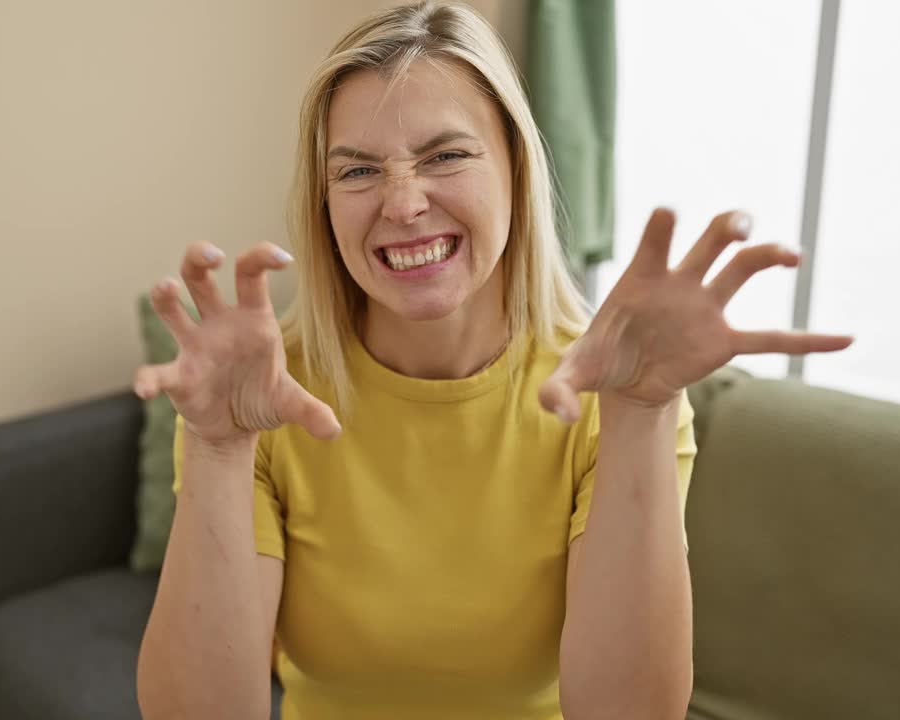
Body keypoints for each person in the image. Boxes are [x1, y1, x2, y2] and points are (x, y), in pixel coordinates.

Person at [132, 2, 852, 718]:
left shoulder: (610, 390)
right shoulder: (263, 398)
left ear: (516, 164)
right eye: (357, 172)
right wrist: (219, 448)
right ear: (323, 202)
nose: (404, 202)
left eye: (446, 155)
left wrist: (640, 414)